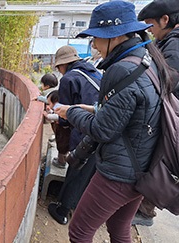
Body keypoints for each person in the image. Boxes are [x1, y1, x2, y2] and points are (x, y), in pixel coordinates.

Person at [55, 1, 176, 241]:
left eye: (97, 38)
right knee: (119, 228)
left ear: (116, 36)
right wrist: (93, 107)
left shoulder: (121, 69)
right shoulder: (147, 59)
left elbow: (102, 130)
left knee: (80, 231)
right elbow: (132, 110)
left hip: (119, 173)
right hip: (144, 167)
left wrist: (69, 112)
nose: (95, 45)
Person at [134, 0, 179, 226]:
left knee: (158, 160)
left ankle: (145, 210)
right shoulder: (168, 41)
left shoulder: (174, 45)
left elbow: (167, 79)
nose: (149, 29)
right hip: (170, 112)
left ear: (165, 19)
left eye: (150, 24)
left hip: (171, 115)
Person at [47, 45, 100, 225]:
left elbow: (66, 114)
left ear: (63, 65)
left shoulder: (70, 78)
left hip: (84, 130)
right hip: (103, 127)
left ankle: (62, 210)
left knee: (76, 169)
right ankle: (78, 207)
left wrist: (54, 118)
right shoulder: (94, 72)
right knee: (89, 173)